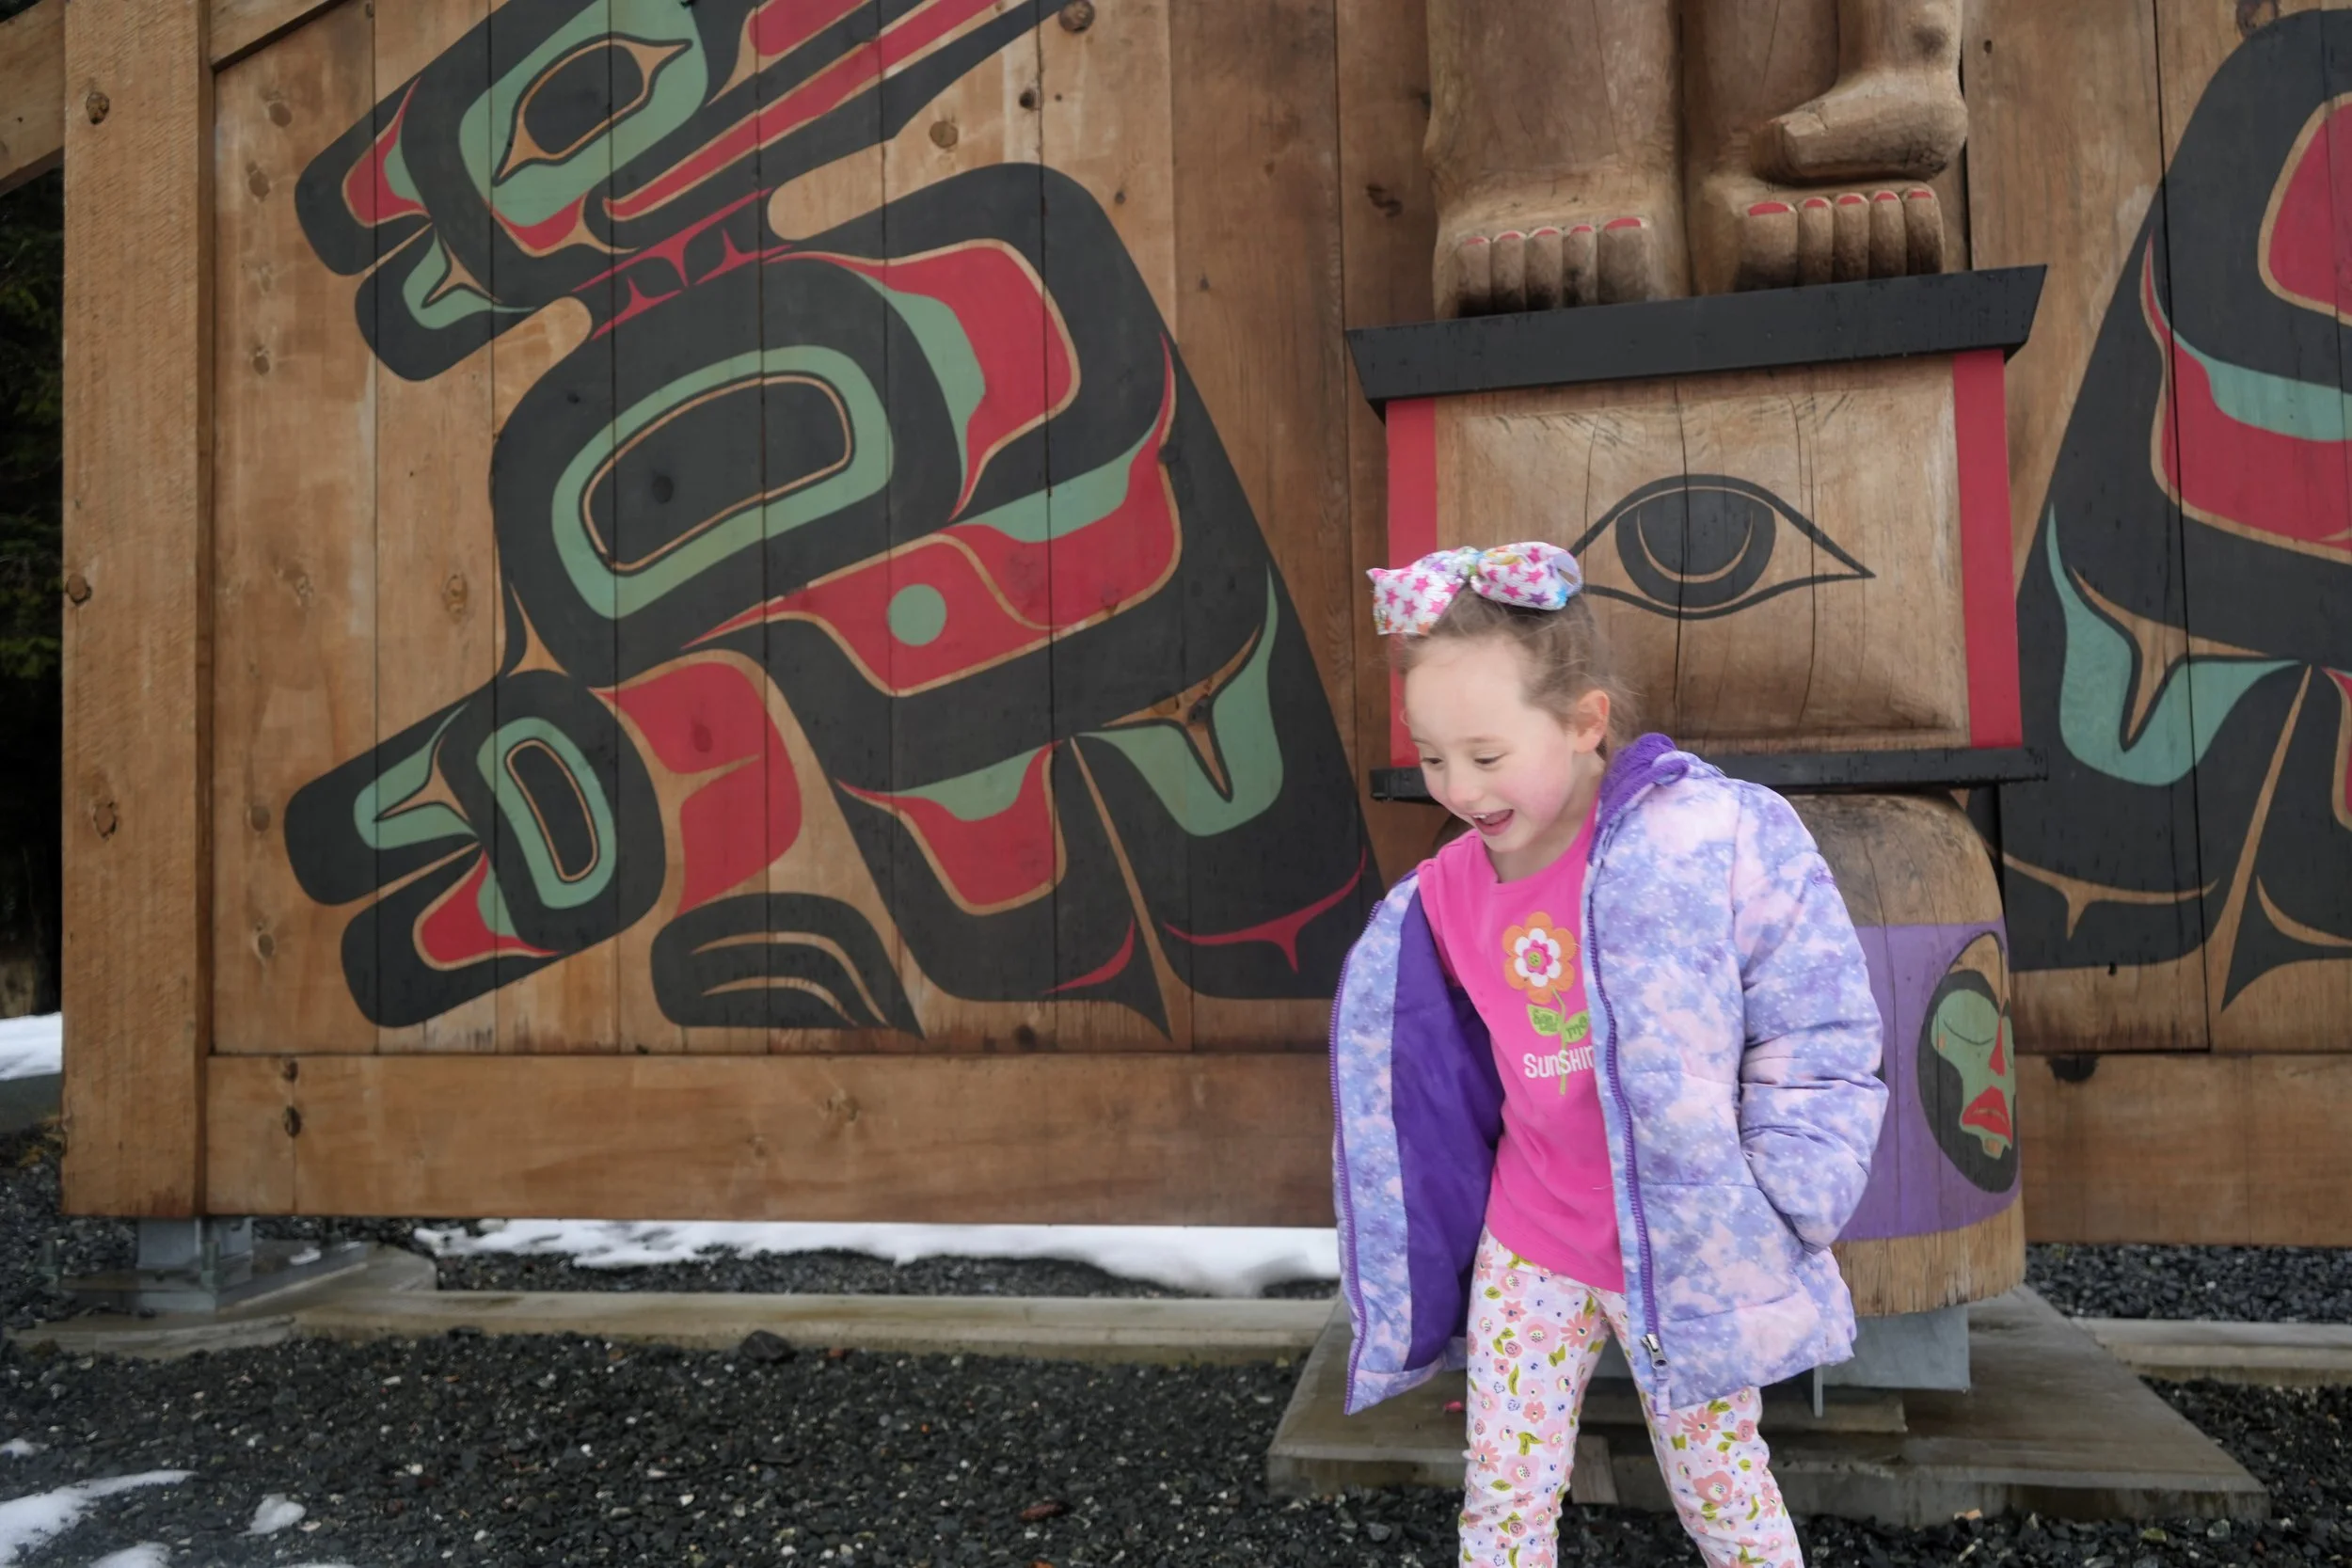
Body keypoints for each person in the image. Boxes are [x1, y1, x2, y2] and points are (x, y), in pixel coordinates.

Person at [1328, 542, 1886, 1567]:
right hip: (1529, 1239)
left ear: (1585, 722)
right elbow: (1418, 1083)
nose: (1458, 787)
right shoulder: (1440, 898)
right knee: (1502, 1492)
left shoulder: (1706, 842)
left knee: (1722, 1484)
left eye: (1486, 755)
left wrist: (1793, 1186)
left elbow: (1816, 1017)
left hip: (1683, 1243)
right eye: (1432, 756)